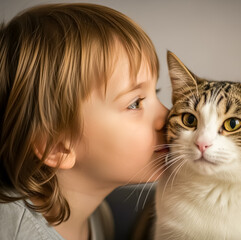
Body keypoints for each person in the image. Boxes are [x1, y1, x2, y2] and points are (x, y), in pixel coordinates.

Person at [0, 3, 169, 240]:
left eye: (156, 92)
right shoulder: (13, 231)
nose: (167, 116)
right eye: (135, 103)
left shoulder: (99, 217)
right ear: (57, 146)